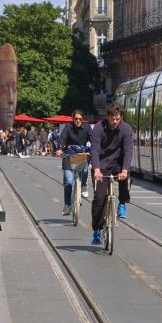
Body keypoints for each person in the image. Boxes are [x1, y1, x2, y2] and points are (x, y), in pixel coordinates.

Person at [90, 103, 134, 245]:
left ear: (121, 117)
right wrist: (96, 169)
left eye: (117, 118)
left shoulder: (126, 129)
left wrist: (125, 170)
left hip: (118, 163)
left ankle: (122, 203)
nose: (115, 121)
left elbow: (128, 151)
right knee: (99, 198)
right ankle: (97, 230)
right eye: (112, 118)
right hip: (102, 164)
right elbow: (95, 150)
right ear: (107, 117)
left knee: (125, 178)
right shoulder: (98, 128)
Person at [56, 110, 92, 216]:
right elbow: (62, 139)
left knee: (85, 169)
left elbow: (93, 139)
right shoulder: (68, 127)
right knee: (68, 181)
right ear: (73, 119)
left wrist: (95, 148)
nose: (78, 121)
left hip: (81, 155)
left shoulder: (87, 128)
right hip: (69, 155)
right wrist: (60, 149)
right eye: (76, 119)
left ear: (83, 119)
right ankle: (67, 205)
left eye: (80, 119)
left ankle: (84, 186)